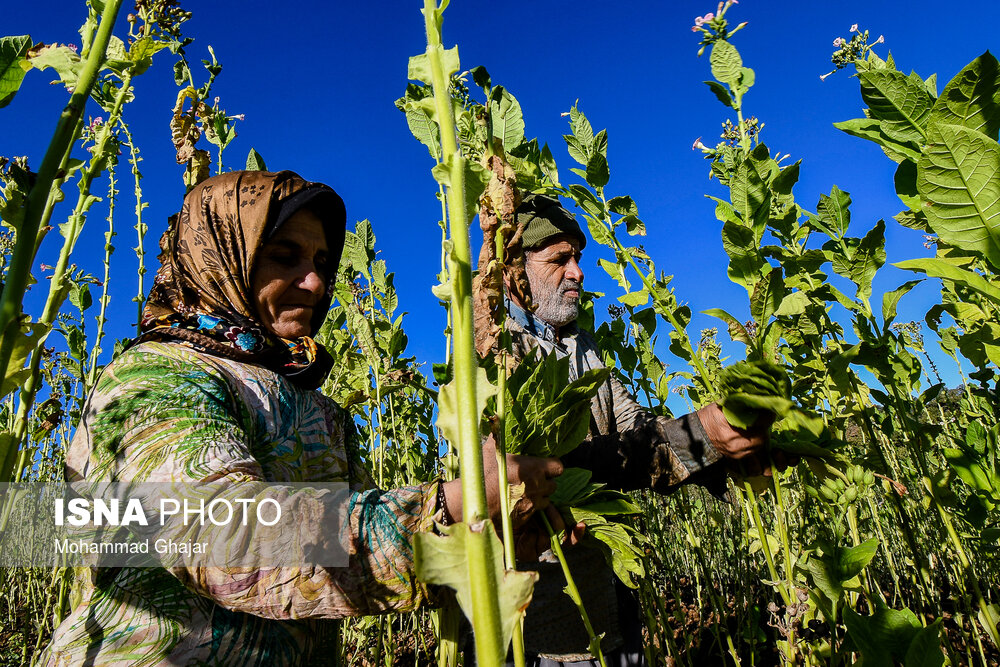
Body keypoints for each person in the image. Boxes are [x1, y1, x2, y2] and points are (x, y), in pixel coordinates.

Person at [38, 170, 563, 666]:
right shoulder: (154, 379)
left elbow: (354, 560)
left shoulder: (315, 407)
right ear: (220, 259)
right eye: (284, 257)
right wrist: (455, 503)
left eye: (322, 261)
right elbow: (228, 539)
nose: (313, 282)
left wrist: (487, 534)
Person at [479, 193, 772, 666]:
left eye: (579, 257)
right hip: (541, 625)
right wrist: (701, 435)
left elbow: (637, 431)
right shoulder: (492, 355)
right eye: (560, 259)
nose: (578, 272)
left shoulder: (582, 346)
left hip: (610, 596)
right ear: (515, 271)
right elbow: (525, 475)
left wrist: (718, 445)